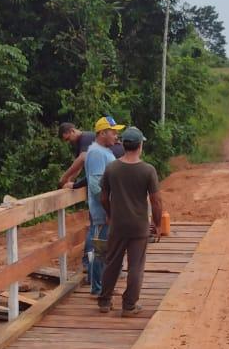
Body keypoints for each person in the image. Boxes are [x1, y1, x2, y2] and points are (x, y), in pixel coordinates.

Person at [98, 126, 163, 316]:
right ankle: (129, 306)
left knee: (112, 262)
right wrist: (158, 224)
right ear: (140, 145)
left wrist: (110, 214)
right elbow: (156, 201)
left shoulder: (112, 168)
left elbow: (103, 197)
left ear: (124, 144)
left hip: (117, 225)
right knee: (136, 266)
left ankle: (104, 301)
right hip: (139, 226)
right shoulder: (148, 170)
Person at [83, 120, 119, 297]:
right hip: (103, 213)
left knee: (108, 250)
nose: (116, 135)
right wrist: (109, 210)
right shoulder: (97, 153)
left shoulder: (103, 151)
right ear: (103, 132)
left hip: (108, 211)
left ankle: (105, 286)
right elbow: (96, 187)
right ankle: (98, 288)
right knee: (101, 250)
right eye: (113, 132)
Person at [58, 119, 126, 190]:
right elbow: (78, 166)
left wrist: (65, 178)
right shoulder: (79, 144)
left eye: (68, 139)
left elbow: (82, 159)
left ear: (72, 131)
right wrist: (69, 182)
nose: (69, 142)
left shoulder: (85, 138)